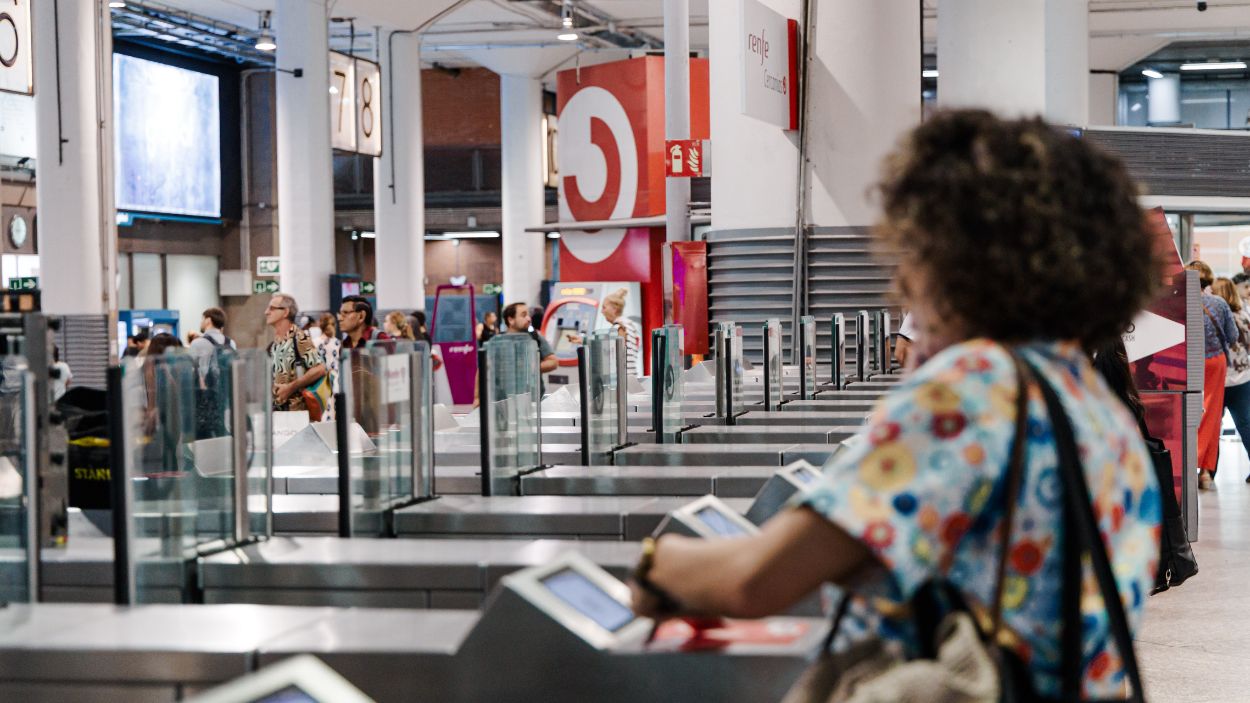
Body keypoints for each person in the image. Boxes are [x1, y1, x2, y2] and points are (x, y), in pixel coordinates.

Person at [630, 111, 1161, 699]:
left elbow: (755, 581)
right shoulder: (1095, 408)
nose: (902, 275)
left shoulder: (973, 388)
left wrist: (658, 563)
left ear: (958, 259)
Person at [1188, 260, 1236, 490]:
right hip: (1215, 362)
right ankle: (1205, 471)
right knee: (1211, 415)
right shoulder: (1219, 303)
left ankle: (1185, 464)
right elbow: (1232, 335)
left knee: (1186, 413)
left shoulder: (1178, 304)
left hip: (1185, 362)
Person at [1212, 277, 1250, 477]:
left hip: (1218, 379)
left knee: (1212, 428)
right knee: (1245, 425)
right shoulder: (1244, 316)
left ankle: (1209, 472)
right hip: (1242, 378)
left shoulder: (1213, 317)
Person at [265, 294, 326, 413]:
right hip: (278, 412)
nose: (266, 312)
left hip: (297, 412)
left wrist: (290, 387)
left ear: (285, 312)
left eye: (272, 308)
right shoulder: (275, 343)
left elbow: (320, 369)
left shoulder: (298, 337)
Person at [601, 288, 642, 378]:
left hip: (623, 381)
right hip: (632, 379)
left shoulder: (618, 328)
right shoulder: (631, 326)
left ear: (614, 309)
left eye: (604, 307)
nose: (602, 311)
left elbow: (614, 357)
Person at [313, 312, 342, 421]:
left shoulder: (314, 343)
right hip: (336, 382)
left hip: (319, 384)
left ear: (320, 325)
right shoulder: (338, 343)